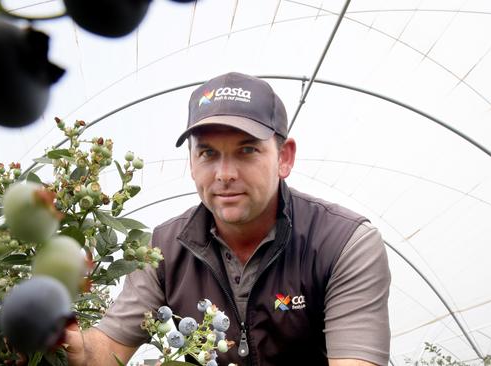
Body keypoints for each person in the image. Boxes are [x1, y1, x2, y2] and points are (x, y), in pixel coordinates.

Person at [65, 72, 391, 366]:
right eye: (208, 153)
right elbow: (105, 350)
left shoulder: (340, 244)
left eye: (247, 151)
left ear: (284, 158)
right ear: (191, 163)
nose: (224, 174)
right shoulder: (162, 249)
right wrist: (69, 345)